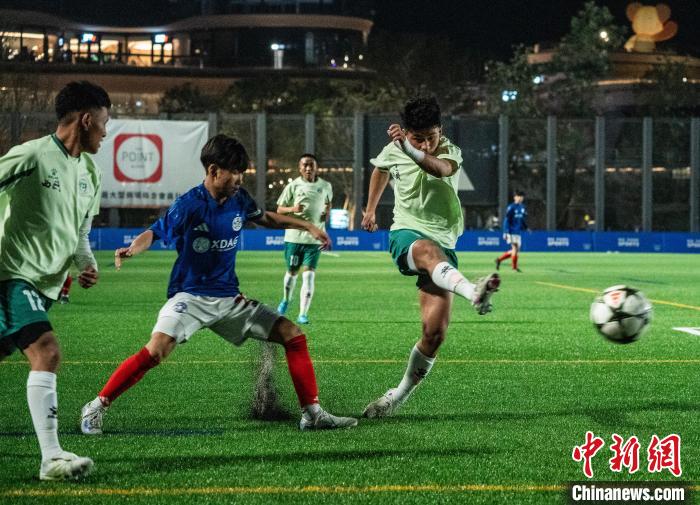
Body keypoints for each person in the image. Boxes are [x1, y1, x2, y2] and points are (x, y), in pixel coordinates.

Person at [80, 135, 357, 433]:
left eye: (241, 171)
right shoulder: (189, 205)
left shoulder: (238, 199)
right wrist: (133, 248)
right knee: (156, 351)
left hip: (230, 299)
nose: (239, 178)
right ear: (213, 171)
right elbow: (155, 232)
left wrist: (308, 226)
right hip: (191, 297)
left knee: (293, 335)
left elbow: (265, 218)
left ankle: (312, 413)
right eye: (234, 172)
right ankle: (96, 406)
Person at [360, 95, 500, 418]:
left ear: (441, 130)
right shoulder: (394, 149)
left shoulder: (450, 150)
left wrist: (410, 149)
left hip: (444, 244)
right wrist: (369, 209)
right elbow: (381, 170)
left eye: (431, 137)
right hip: (406, 233)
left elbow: (439, 168)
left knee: (434, 334)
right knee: (425, 250)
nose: (426, 144)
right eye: (417, 137)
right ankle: (474, 293)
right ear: (407, 132)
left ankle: (395, 398)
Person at [0, 81, 110, 480]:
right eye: (104, 121)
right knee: (47, 353)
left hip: (45, 286)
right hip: (13, 275)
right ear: (86, 119)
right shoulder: (32, 155)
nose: (106, 131)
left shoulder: (90, 173)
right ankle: (51, 458)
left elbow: (79, 233)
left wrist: (87, 263)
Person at [275, 154, 332, 324]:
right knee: (292, 273)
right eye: (305, 165)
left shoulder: (326, 186)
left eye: (311, 165)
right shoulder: (293, 186)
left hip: (314, 240)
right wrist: (293, 208)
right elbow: (279, 210)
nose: (308, 168)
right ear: (300, 168)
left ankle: (303, 313)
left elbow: (328, 203)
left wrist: (326, 213)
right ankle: (286, 299)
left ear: (316, 167)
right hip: (294, 237)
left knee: (309, 276)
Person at [495, 190, 527, 273]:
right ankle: (514, 268)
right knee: (515, 248)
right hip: (511, 231)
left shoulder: (522, 207)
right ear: (515, 197)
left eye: (521, 196)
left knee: (515, 251)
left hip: (518, 232)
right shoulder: (511, 207)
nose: (520, 198)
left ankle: (499, 260)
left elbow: (522, 219)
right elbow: (507, 220)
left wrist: (526, 227)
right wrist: (505, 232)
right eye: (518, 196)